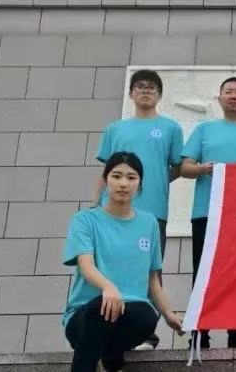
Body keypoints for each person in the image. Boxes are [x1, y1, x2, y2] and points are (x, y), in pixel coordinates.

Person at [63, 152, 183, 372]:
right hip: (86, 314)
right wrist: (108, 287)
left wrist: (168, 314)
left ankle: (110, 360)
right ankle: (110, 363)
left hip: (129, 313)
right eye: (116, 176)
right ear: (105, 180)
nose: (123, 183)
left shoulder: (149, 224)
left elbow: (152, 280)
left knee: (146, 315)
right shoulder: (84, 220)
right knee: (102, 309)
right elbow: (86, 266)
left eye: (131, 177)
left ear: (140, 185)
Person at [93, 69, 184, 350]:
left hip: (153, 211)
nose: (146, 91)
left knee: (150, 272)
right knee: (109, 269)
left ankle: (145, 334)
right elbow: (106, 171)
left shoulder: (171, 128)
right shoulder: (115, 129)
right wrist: (96, 204)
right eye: (140, 86)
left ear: (160, 94)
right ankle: (110, 331)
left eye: (151, 87)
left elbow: (177, 167)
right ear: (131, 93)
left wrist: (150, 183)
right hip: (112, 212)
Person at [180, 76, 236, 350]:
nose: (234, 96)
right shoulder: (204, 130)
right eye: (228, 91)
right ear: (219, 99)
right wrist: (204, 169)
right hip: (206, 213)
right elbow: (185, 168)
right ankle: (200, 335)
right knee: (203, 273)